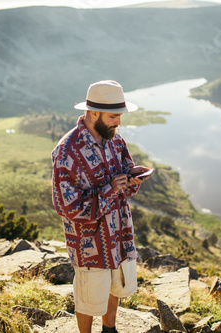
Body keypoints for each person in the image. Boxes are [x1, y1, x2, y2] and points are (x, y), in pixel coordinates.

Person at [51, 80, 151, 333]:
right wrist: (110, 189)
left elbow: (124, 185)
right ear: (93, 113)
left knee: (114, 284)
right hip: (89, 243)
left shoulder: (116, 142)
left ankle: (110, 329)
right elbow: (66, 206)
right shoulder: (66, 152)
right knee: (88, 295)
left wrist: (132, 178)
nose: (118, 122)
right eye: (114, 116)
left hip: (118, 234)